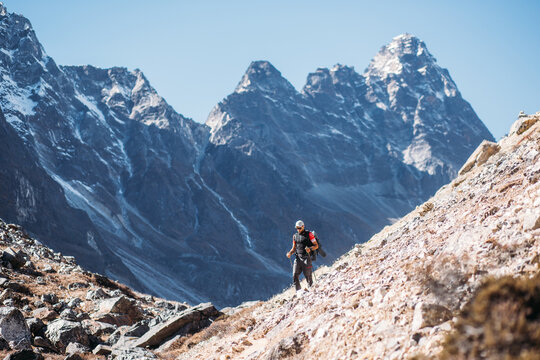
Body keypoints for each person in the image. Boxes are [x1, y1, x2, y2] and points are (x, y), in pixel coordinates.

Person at [286, 220, 318, 292]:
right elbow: (294, 248)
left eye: (299, 228)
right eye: (297, 228)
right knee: (295, 275)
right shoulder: (295, 236)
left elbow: (316, 245)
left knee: (308, 276)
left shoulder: (309, 234)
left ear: (303, 226)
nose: (298, 229)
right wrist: (290, 253)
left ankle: (311, 291)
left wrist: (310, 249)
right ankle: (299, 292)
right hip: (298, 258)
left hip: (306, 258)